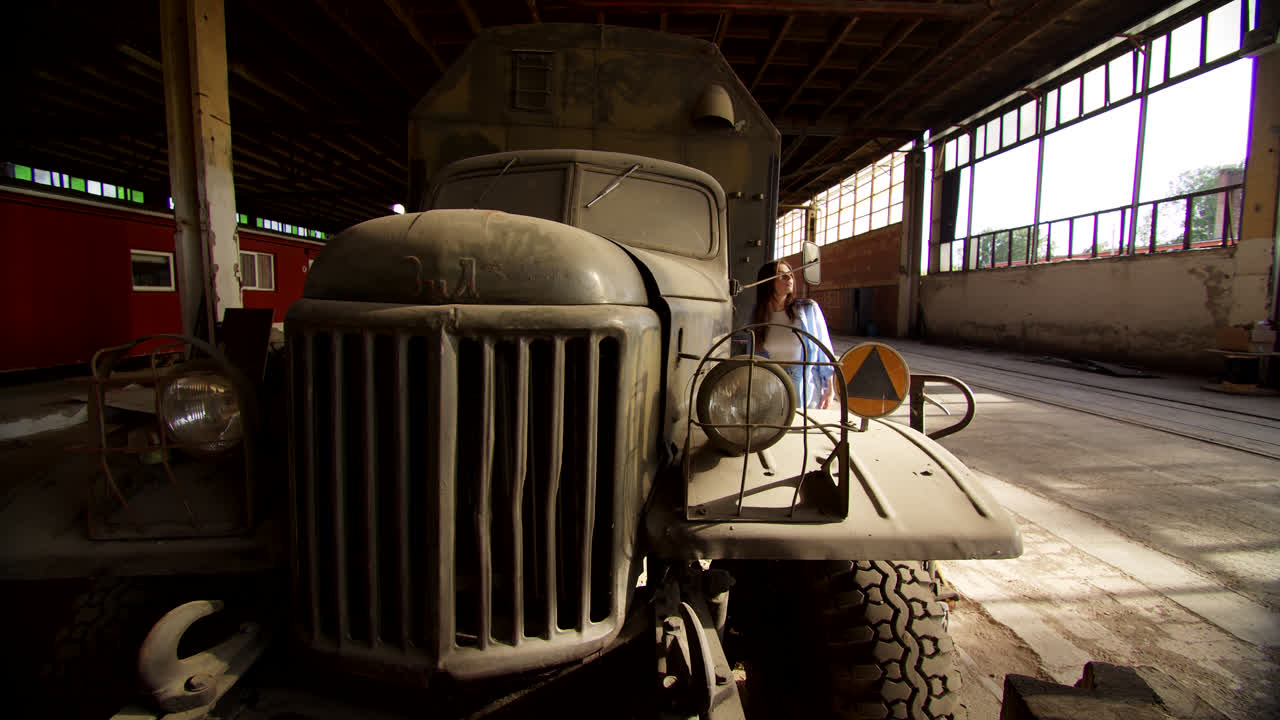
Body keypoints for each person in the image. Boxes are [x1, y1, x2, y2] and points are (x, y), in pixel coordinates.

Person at [750, 260, 836, 409]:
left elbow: (824, 350)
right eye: (782, 276)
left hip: (803, 383)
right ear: (768, 281)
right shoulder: (758, 315)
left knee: (801, 428)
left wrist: (830, 389)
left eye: (790, 275)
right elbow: (753, 355)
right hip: (771, 384)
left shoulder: (808, 309)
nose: (789, 279)